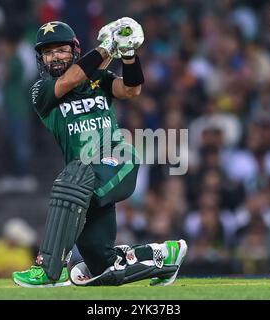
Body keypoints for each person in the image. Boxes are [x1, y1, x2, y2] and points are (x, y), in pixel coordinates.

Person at [12, 18, 187, 287]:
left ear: (75, 52)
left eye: (61, 50)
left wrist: (128, 55)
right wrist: (108, 47)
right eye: (47, 52)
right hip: (83, 184)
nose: (54, 57)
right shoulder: (41, 91)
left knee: (72, 177)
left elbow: (131, 89)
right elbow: (71, 80)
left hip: (118, 160)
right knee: (101, 264)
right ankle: (164, 254)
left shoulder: (100, 79)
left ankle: (49, 268)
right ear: (40, 59)